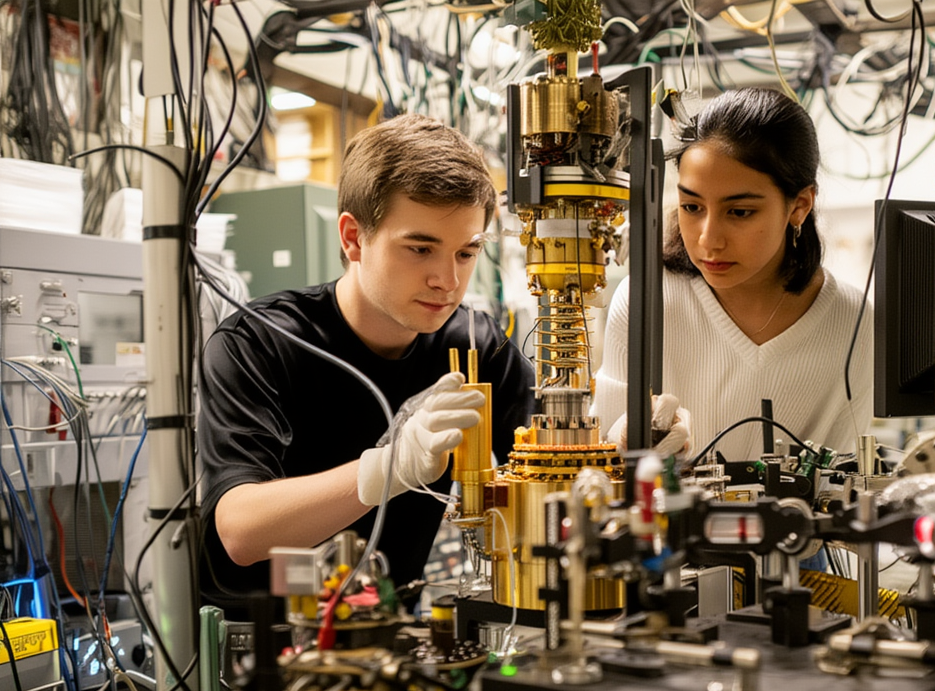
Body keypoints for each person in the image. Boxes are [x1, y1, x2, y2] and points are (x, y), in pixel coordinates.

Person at [198, 115, 536, 607]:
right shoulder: (259, 343)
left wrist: (626, 451)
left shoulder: (476, 348)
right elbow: (241, 531)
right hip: (262, 643)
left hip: (390, 633)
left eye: (466, 253)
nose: (447, 279)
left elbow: (549, 465)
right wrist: (390, 468)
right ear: (353, 238)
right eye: (421, 248)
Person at [592, 87, 873, 464]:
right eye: (692, 206)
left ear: (799, 206)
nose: (708, 239)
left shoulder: (856, 323)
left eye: (739, 212)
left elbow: (847, 474)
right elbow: (598, 456)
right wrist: (628, 436)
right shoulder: (647, 299)